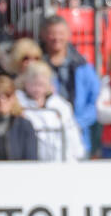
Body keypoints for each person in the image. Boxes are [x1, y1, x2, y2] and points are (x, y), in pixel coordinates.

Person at [39, 14, 98, 154]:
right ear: (44, 35)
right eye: (52, 34)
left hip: (79, 138)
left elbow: (95, 101)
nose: (56, 38)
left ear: (68, 35)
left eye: (60, 33)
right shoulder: (37, 65)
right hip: (45, 139)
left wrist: (74, 123)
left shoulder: (83, 66)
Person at [18, 61, 83, 161]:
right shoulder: (18, 103)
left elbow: (71, 132)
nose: (37, 89)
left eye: (41, 85)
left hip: (60, 160)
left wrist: (77, 154)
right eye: (33, 84)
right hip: (31, 161)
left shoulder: (61, 105)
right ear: (25, 83)